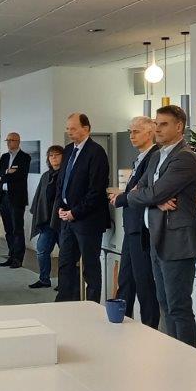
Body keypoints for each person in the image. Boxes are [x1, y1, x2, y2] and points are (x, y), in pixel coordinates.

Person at [115, 106, 196, 345]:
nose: (157, 128)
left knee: (178, 306)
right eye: (156, 123)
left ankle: (186, 357)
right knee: (164, 303)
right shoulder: (156, 156)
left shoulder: (185, 157)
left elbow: (150, 193)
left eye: (163, 124)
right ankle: (173, 352)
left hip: (177, 241)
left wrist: (150, 197)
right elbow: (140, 189)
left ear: (179, 127)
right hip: (156, 236)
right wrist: (153, 199)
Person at [108, 116, 160, 327]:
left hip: (142, 227)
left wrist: (123, 197)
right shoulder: (140, 157)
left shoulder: (154, 156)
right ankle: (120, 322)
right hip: (131, 226)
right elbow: (134, 190)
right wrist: (127, 194)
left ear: (150, 132)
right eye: (130, 131)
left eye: (136, 131)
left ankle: (149, 328)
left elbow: (143, 192)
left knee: (144, 282)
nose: (131, 136)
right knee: (126, 280)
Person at [54, 113, 110, 303]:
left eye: (73, 128)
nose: (69, 132)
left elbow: (96, 190)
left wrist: (75, 212)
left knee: (90, 266)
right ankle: (65, 303)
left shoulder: (96, 152)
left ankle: (92, 306)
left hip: (87, 220)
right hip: (67, 218)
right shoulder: (69, 150)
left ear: (86, 129)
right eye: (67, 128)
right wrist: (61, 207)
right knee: (65, 263)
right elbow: (62, 182)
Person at [28, 145, 64, 289]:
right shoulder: (45, 176)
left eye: (57, 155)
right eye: (51, 155)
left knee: (65, 254)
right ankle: (44, 279)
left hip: (62, 221)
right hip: (47, 221)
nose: (53, 158)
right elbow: (39, 197)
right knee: (42, 251)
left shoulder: (67, 173)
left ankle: (64, 282)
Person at [0, 132, 31, 269]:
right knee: (8, 229)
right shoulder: (4, 157)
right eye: (8, 140)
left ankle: (18, 258)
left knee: (17, 229)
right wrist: (6, 172)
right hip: (3, 196)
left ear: (18, 141)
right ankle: (11, 255)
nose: (9, 143)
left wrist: (4, 175)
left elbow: (20, 175)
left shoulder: (25, 157)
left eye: (11, 140)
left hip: (16, 198)